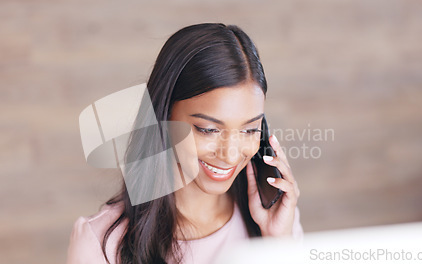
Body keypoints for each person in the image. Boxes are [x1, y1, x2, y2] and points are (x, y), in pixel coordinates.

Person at [67, 23, 303, 264]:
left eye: (250, 129)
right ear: (164, 115)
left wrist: (278, 245)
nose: (231, 155)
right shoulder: (101, 243)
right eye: (209, 130)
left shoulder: (276, 219)